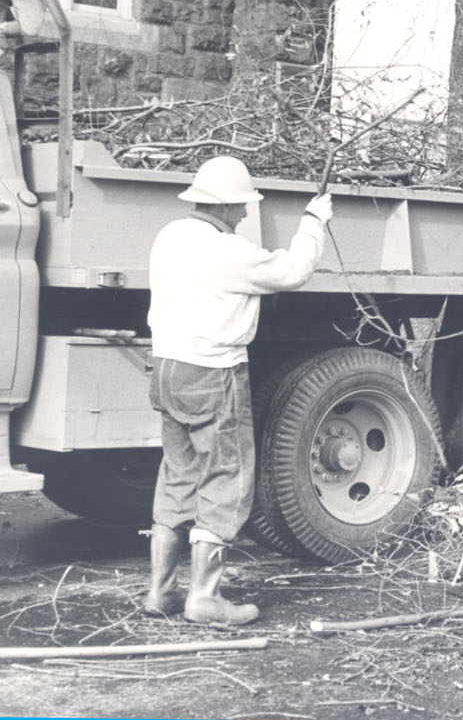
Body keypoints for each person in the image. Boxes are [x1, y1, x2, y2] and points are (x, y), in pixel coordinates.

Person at [143, 156, 332, 625]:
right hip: (212, 374)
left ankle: (159, 592)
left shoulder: (169, 235)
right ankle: (205, 600)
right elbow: (292, 272)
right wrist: (314, 220)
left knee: (178, 477)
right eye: (243, 207)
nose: (246, 215)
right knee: (225, 480)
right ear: (226, 206)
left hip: (166, 369)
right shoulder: (229, 252)